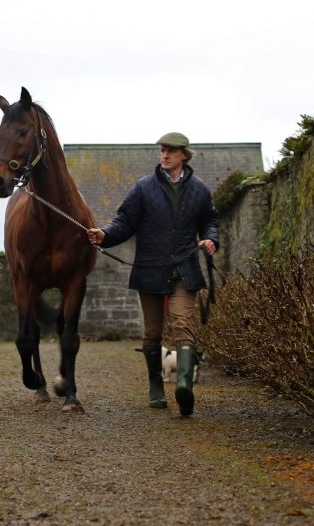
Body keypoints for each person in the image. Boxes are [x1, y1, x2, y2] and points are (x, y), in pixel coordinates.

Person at [87, 132, 219, 416]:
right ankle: (155, 384)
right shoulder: (143, 188)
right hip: (150, 268)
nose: (165, 155)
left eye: (171, 151)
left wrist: (211, 239)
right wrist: (105, 235)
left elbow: (210, 220)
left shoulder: (199, 189)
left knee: (184, 325)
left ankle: (184, 386)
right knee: (152, 333)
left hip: (185, 268)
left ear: (184, 154)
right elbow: (124, 221)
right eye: (162, 150)